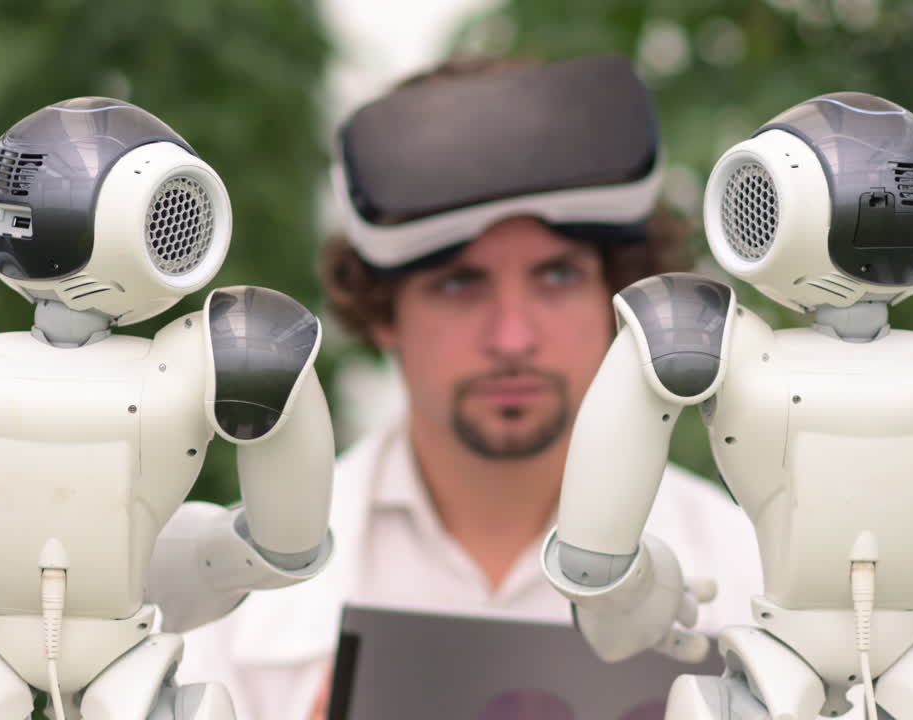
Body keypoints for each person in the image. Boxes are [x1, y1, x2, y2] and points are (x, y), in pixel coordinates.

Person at [164, 53, 764, 720]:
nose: (512, 338)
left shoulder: (754, 572)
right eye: (459, 283)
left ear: (618, 297)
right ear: (384, 312)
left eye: (557, 276)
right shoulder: (226, 594)